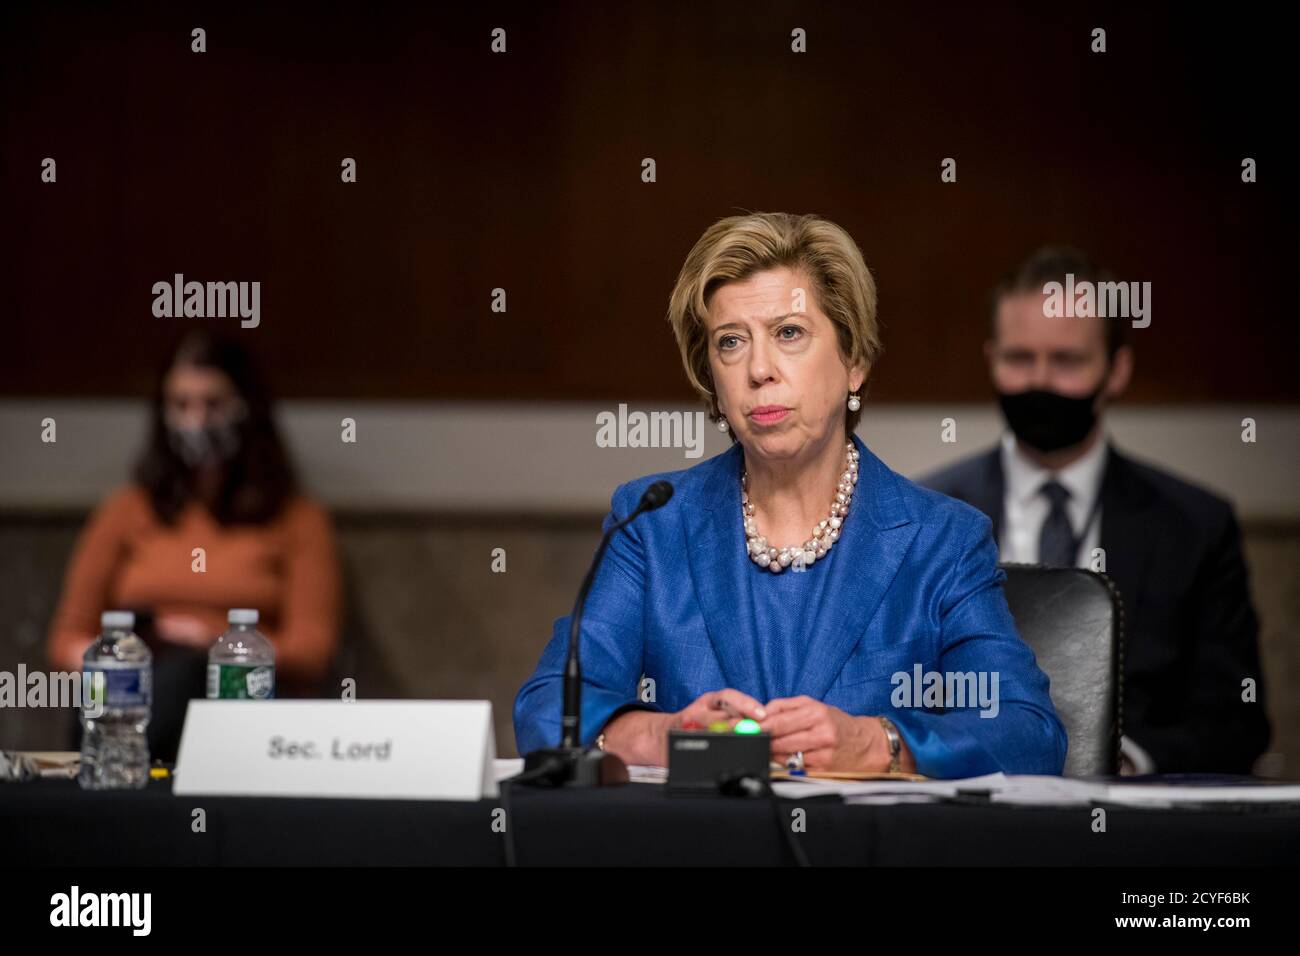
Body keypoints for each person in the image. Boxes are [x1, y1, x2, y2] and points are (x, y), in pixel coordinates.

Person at [514, 212, 1067, 778]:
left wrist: (880, 744)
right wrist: (658, 734)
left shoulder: (942, 540)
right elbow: (547, 705)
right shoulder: (653, 524)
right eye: (731, 342)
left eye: (789, 333)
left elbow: (1029, 733)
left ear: (854, 362)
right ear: (712, 378)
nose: (759, 369)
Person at [921, 247, 1270, 774]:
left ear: (1117, 369)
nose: (1040, 381)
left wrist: (1121, 761)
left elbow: (1236, 719)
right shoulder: (929, 514)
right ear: (991, 357)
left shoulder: (1195, 526)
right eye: (1019, 358)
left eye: (1066, 361)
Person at [47, 332, 341, 761]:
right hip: (134, 686)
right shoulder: (126, 511)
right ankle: (117, 776)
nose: (196, 420)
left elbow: (312, 650)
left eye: (213, 404)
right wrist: (121, 662)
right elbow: (67, 638)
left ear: (247, 408)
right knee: (132, 689)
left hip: (241, 700)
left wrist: (215, 641)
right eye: (181, 405)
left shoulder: (294, 518)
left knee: (185, 675)